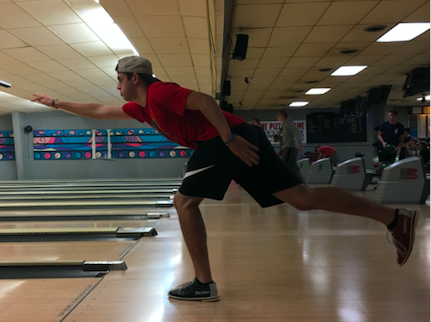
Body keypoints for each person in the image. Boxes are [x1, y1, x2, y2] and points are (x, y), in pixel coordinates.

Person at [31, 56, 419, 302]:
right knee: (300, 197)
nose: (116, 87)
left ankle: (203, 282)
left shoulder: (161, 92)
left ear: (134, 77)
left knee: (184, 202)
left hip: (226, 140)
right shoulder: (143, 107)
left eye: (119, 79)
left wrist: (229, 139)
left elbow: (202, 100)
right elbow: (99, 109)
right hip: (235, 139)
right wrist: (55, 102)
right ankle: (394, 218)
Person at [277, 110, 303, 180]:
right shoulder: (284, 124)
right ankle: (297, 181)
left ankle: (298, 181)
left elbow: (296, 131)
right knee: (291, 165)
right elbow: (287, 139)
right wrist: (282, 149)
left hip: (290, 148)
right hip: (288, 147)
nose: (277, 117)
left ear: (283, 116)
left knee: (286, 165)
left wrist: (300, 144)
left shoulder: (287, 123)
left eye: (278, 115)